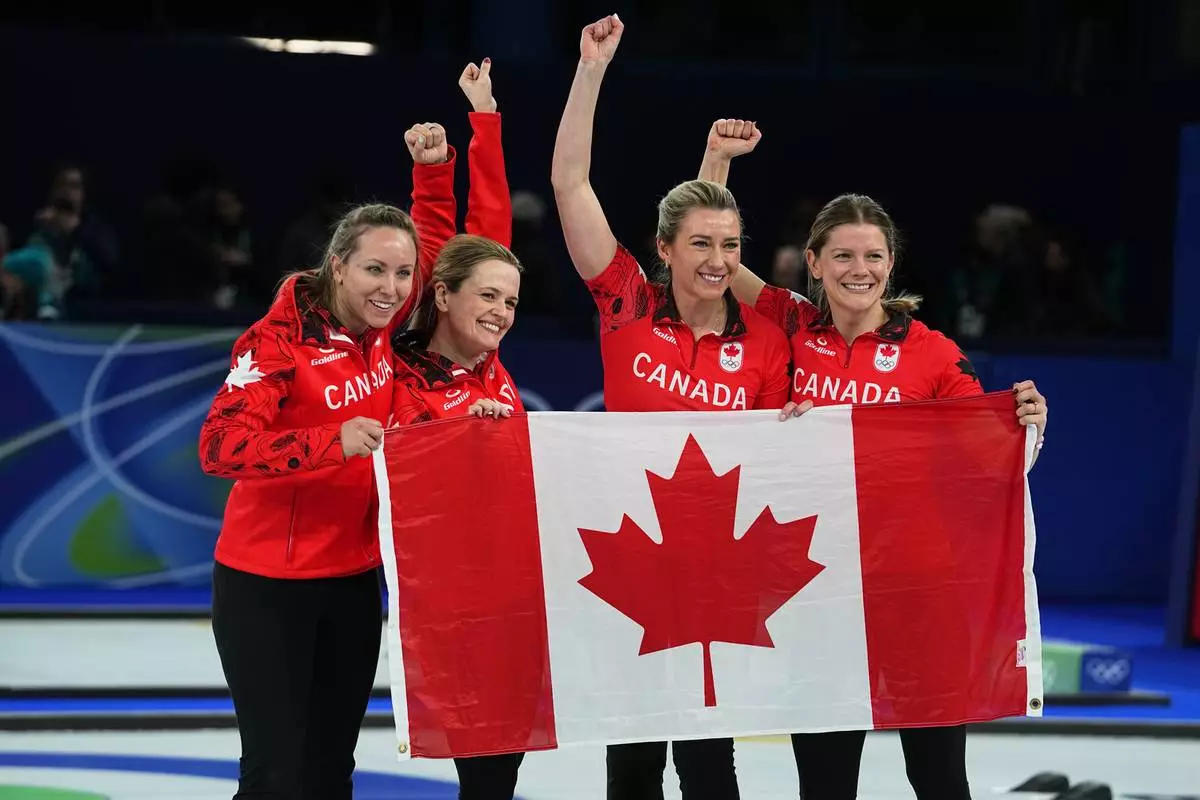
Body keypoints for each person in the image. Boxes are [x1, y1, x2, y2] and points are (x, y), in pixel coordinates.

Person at [697, 119, 1049, 800]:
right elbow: (711, 260)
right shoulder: (791, 327)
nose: (861, 270)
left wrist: (1029, 424)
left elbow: (985, 452)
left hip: (917, 589)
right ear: (815, 262)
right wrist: (717, 160)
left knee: (939, 777)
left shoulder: (933, 352)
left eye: (874, 256)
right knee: (827, 784)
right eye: (845, 257)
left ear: (892, 264)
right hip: (819, 589)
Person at [196, 60, 509, 800]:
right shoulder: (275, 344)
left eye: (401, 278)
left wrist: (438, 168)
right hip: (265, 588)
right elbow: (218, 448)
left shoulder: (384, 325)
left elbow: (442, 245)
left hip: (353, 583)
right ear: (337, 266)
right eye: (375, 271)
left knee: (332, 771)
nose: (392, 290)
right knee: (273, 775)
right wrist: (329, 441)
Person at [550, 15, 791, 800]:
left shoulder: (761, 342)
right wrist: (591, 72)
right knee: (635, 757)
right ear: (664, 250)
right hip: (632, 555)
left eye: (731, 246)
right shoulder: (625, 306)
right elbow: (570, 185)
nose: (719, 261)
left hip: (715, 567)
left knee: (709, 761)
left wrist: (717, 164)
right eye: (700, 246)